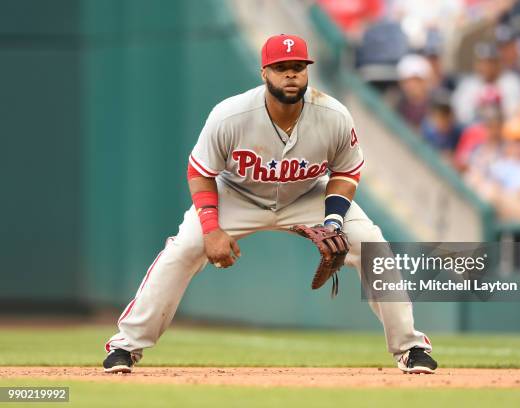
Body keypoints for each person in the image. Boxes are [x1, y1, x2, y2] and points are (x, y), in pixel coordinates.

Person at [102, 34, 437, 375]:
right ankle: (125, 346)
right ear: (264, 73)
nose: (291, 75)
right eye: (280, 68)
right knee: (184, 248)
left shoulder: (333, 114)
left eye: (298, 67)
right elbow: (200, 171)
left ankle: (410, 347)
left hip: (307, 194)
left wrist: (334, 220)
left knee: (372, 247)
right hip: (237, 194)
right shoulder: (230, 115)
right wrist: (210, 227)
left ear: (307, 72)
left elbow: (347, 170)